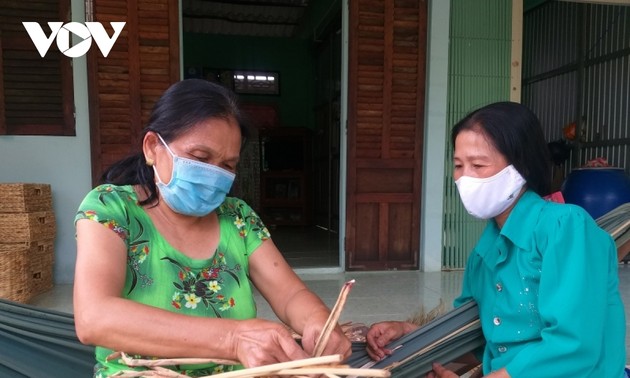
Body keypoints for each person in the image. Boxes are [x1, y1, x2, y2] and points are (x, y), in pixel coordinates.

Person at [73, 78, 351, 377]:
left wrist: (319, 323)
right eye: (200, 158)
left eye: (228, 165)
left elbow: (290, 295)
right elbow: (94, 317)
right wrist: (233, 339)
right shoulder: (111, 209)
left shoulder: (238, 218)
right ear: (153, 147)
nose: (214, 174)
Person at [365, 102, 627, 377]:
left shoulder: (565, 228)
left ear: (519, 167)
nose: (465, 178)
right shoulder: (484, 253)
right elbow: (481, 341)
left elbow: (574, 346)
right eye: (458, 165)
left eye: (478, 165)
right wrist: (414, 336)